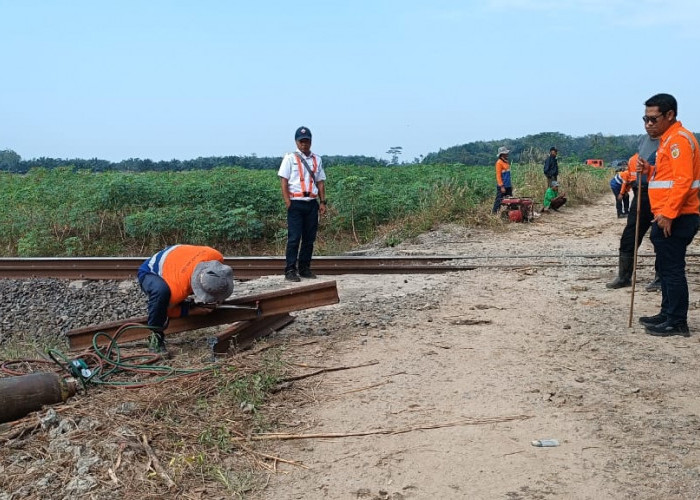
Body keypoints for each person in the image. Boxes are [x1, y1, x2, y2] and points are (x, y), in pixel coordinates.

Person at [637, 93, 700, 337]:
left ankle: (676, 321)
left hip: (677, 216)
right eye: (645, 119)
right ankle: (667, 312)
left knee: (672, 269)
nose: (648, 124)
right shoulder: (669, 140)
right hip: (668, 214)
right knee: (665, 266)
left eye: (653, 119)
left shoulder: (678, 142)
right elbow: (669, 177)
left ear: (670, 115)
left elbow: (683, 181)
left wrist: (669, 214)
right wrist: (650, 169)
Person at [137, 244, 234, 354]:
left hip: (175, 257)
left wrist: (218, 296)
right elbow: (168, 311)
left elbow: (217, 277)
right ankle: (156, 337)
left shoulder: (216, 256)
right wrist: (192, 311)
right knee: (161, 294)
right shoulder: (178, 290)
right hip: (151, 270)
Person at [606, 136, 659, 290]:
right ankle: (624, 277)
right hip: (640, 195)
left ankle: (660, 278)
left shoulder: (668, 146)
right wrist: (625, 192)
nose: (649, 124)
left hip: (659, 196)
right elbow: (628, 180)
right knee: (629, 236)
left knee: (659, 238)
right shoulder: (633, 159)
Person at [278, 126, 327, 281]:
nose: (304, 144)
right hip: (296, 203)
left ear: (311, 142)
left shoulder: (316, 159)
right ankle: (290, 270)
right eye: (301, 141)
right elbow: (284, 181)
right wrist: (288, 202)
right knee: (294, 238)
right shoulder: (290, 158)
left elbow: (320, 182)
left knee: (309, 239)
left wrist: (322, 202)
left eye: (306, 141)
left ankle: (304, 268)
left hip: (311, 203)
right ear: (296, 142)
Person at [491, 146, 512, 214]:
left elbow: (508, 175)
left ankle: (508, 214)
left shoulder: (506, 162)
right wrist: (502, 186)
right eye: (506, 153)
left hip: (508, 185)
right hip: (502, 186)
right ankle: (494, 214)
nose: (507, 154)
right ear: (502, 154)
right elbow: (498, 176)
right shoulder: (499, 163)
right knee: (499, 201)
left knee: (510, 201)